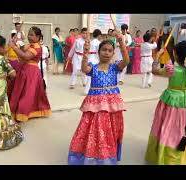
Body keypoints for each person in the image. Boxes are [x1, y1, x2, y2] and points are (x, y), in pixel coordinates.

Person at [67, 31, 130, 165]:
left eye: (109, 51)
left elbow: (126, 61)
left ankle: (106, 158)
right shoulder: (93, 67)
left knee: (108, 132)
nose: (106, 53)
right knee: (94, 132)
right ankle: (90, 157)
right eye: (104, 50)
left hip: (112, 107)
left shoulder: (115, 67)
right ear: (98, 52)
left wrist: (121, 42)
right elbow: (84, 69)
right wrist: (85, 52)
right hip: (94, 108)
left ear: (113, 53)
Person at [145, 41, 186, 165]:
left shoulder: (172, 69)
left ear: (175, 55)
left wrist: (158, 56)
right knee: (185, 127)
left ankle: (166, 154)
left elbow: (154, 70)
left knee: (168, 127)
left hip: (170, 101)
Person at [8, 26, 52, 122]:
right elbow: (22, 49)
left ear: (38, 37)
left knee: (27, 94)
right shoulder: (30, 45)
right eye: (28, 34)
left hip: (31, 72)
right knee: (21, 91)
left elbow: (25, 56)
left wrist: (14, 47)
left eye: (31, 35)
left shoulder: (36, 47)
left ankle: (22, 113)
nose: (29, 36)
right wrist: (15, 43)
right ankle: (19, 111)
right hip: (24, 69)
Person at [84, 29, 102, 95]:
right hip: (95, 59)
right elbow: (99, 52)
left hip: (89, 58)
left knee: (89, 74)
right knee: (92, 75)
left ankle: (91, 88)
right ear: (99, 35)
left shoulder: (90, 42)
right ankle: (87, 90)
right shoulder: (99, 43)